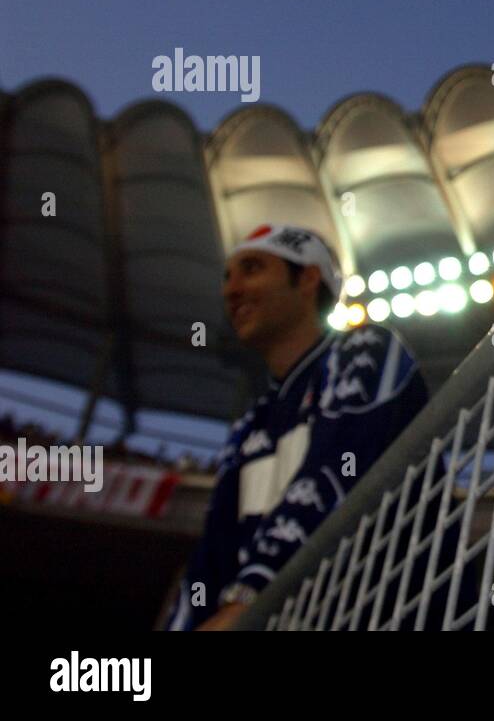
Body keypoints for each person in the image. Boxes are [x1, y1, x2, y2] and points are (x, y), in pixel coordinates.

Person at [165, 224, 429, 630]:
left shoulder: (370, 353)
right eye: (227, 276)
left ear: (307, 278)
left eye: (251, 269)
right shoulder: (249, 427)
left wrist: (247, 599)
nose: (230, 290)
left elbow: (335, 474)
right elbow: (210, 558)